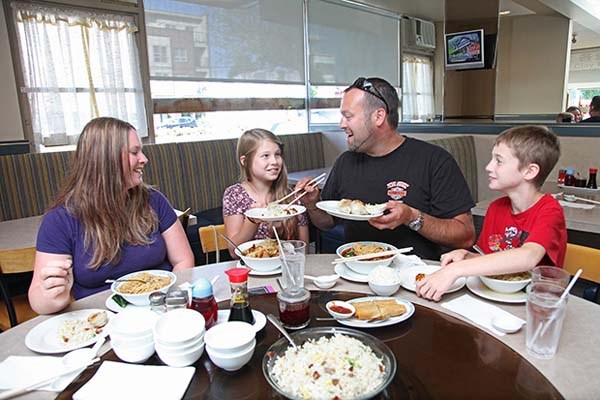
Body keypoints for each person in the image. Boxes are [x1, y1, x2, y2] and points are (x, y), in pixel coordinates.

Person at [296, 77, 475, 260]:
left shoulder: (434, 160)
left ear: (379, 117)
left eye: (348, 116)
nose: (342, 124)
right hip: (356, 269)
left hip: (415, 277)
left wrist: (411, 217)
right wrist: (312, 205)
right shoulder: (346, 162)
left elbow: (465, 236)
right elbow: (327, 223)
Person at [29, 117, 194, 314]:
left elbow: (183, 260)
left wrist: (172, 304)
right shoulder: (60, 220)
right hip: (101, 320)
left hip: (160, 308)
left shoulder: (154, 201)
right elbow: (39, 300)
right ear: (106, 160)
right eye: (134, 152)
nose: (144, 159)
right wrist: (53, 295)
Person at [417, 126, 567, 301]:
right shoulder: (496, 208)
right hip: (495, 297)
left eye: (499, 161)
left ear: (529, 171)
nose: (488, 167)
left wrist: (454, 270)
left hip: (537, 303)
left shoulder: (549, 210)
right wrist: (466, 256)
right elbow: (489, 259)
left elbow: (528, 257)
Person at [223, 128, 309, 258]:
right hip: (252, 269)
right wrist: (252, 221)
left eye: (277, 154)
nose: (274, 161)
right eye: (265, 156)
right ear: (244, 161)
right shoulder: (234, 195)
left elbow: (303, 249)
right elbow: (234, 252)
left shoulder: (290, 196)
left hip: (286, 267)